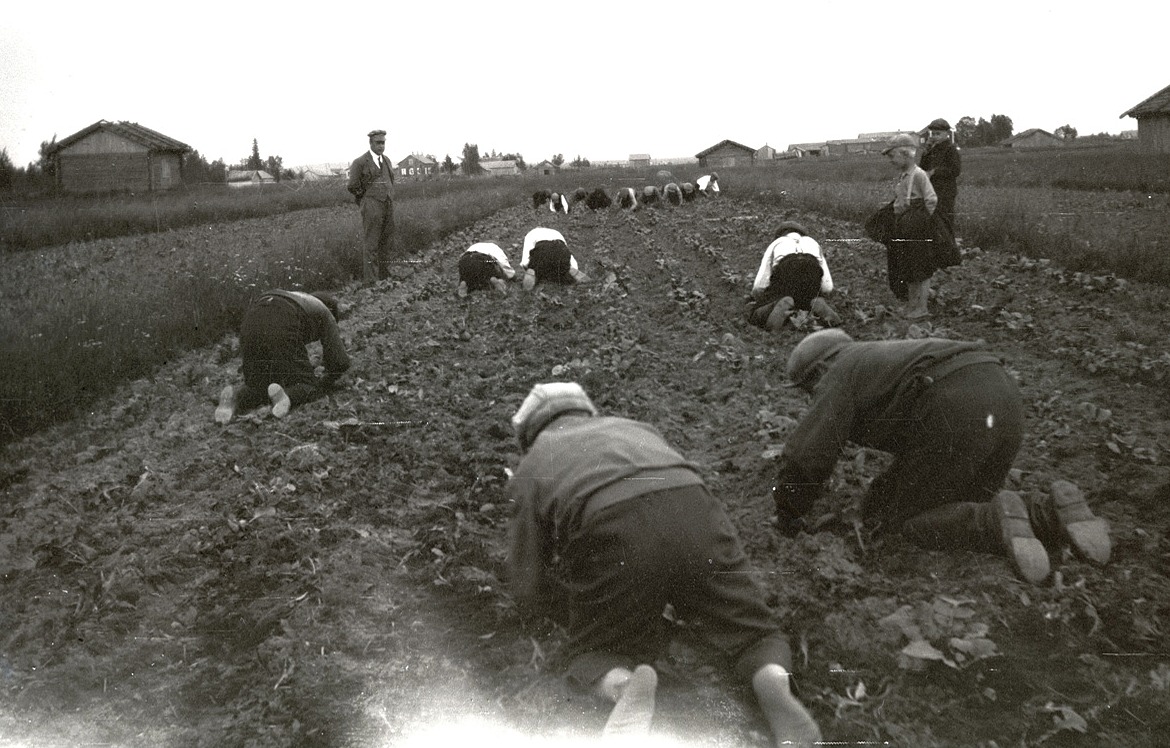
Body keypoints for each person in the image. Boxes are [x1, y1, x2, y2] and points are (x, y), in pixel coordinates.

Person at [507, 382, 823, 746]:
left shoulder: (534, 462)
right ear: (587, 411)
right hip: (695, 507)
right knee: (751, 630)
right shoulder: (635, 428)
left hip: (612, 525)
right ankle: (769, 674)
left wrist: (565, 612)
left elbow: (526, 579)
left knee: (597, 649)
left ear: (529, 433)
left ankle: (624, 686)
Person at [770, 330, 1112, 584]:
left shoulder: (838, 371)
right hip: (1004, 400)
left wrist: (787, 510)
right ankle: (1050, 511)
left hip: (955, 412)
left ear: (817, 371)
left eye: (806, 391)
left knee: (907, 523)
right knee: (958, 501)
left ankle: (993, 522)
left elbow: (807, 454)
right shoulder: (880, 356)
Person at [215, 290, 350, 424]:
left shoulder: (300, 298)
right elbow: (340, 362)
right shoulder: (325, 311)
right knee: (308, 385)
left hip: (250, 322)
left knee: (258, 385)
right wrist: (324, 380)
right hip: (283, 318)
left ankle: (235, 397)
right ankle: (286, 398)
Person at [746, 221, 841, 331]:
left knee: (757, 311)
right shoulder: (813, 243)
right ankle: (814, 303)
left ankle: (779, 306)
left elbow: (759, 286)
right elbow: (828, 287)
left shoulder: (777, 243)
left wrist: (761, 299)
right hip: (811, 270)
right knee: (807, 299)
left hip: (786, 270)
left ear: (781, 234)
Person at [881, 133, 938, 319]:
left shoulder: (919, 175)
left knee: (920, 268)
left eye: (892, 156)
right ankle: (912, 306)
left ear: (906, 154)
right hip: (905, 224)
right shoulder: (904, 177)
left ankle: (921, 308)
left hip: (916, 226)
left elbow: (931, 200)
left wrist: (920, 221)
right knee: (909, 267)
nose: (890, 161)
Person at [347, 130, 396, 284]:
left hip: (387, 204)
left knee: (386, 241)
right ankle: (372, 281)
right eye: (378, 143)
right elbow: (352, 186)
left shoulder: (386, 160)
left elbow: (391, 180)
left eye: (383, 142)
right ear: (371, 143)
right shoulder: (360, 162)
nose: (381, 146)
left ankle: (384, 275)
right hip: (371, 205)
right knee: (371, 243)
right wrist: (366, 199)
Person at [919, 118, 962, 237]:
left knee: (945, 220)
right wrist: (926, 151)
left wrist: (934, 172)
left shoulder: (951, 149)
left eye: (938, 134)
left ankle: (949, 249)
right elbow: (922, 167)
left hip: (945, 191)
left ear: (946, 134)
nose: (935, 137)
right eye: (933, 134)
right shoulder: (932, 149)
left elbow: (955, 170)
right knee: (932, 221)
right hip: (931, 190)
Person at [519, 227, 589, 290]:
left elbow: (525, 262)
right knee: (568, 268)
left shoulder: (531, 234)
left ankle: (526, 293)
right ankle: (590, 284)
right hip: (560, 247)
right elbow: (567, 254)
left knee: (531, 269)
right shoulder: (556, 233)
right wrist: (571, 268)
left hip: (542, 249)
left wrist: (532, 269)